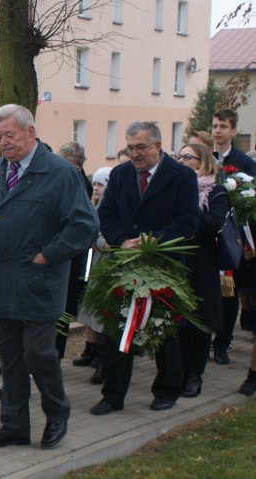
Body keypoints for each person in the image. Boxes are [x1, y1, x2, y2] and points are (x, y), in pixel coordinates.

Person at [0, 104, 98, 449]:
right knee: (11, 358)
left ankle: (57, 414)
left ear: (30, 132)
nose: (3, 142)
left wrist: (47, 254)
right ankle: (14, 427)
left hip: (39, 283)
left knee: (39, 354)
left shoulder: (59, 173)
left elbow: (84, 225)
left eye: (10, 135)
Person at [90, 122, 200, 416]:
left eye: (140, 147)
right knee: (119, 328)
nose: (135, 154)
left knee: (165, 329)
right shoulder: (122, 174)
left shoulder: (182, 176)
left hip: (164, 264)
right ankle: (113, 395)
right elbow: (107, 214)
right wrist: (122, 241)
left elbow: (188, 221)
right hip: (126, 262)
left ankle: (167, 389)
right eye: (130, 147)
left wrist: (153, 242)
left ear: (157, 146)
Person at [175, 143, 228, 398]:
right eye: (179, 156)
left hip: (203, 263)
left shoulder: (215, 191)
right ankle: (180, 373)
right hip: (178, 261)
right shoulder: (175, 189)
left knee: (200, 322)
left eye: (187, 156)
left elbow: (215, 223)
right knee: (179, 321)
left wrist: (190, 207)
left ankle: (195, 375)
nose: (181, 160)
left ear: (202, 161)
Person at [213, 109, 256, 356]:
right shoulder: (204, 157)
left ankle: (223, 341)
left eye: (223, 126)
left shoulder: (243, 162)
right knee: (209, 289)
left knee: (229, 289)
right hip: (209, 233)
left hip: (233, 234)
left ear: (233, 131)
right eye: (215, 126)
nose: (218, 131)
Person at [74, 166, 113, 386]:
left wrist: (103, 241)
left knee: (104, 313)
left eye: (101, 184)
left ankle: (103, 359)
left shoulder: (109, 207)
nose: (96, 188)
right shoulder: (93, 206)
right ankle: (93, 350)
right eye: (95, 184)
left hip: (109, 263)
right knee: (91, 310)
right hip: (96, 263)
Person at [57, 142, 93, 361]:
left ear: (79, 166)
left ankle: (57, 351)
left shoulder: (81, 185)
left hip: (70, 256)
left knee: (63, 306)